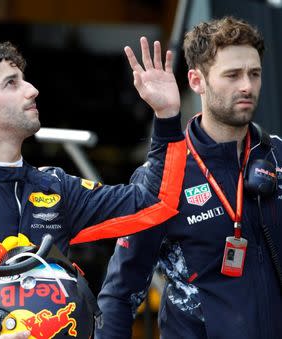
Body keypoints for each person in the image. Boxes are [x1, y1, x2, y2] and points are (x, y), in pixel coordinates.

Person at [0, 37, 186, 339]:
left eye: (24, 80)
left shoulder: (54, 188)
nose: (32, 90)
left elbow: (154, 202)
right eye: (11, 83)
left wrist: (166, 116)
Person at [96, 16, 282, 339]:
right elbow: (120, 293)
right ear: (197, 81)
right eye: (233, 75)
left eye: (254, 74)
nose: (247, 86)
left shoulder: (278, 157)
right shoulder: (163, 175)